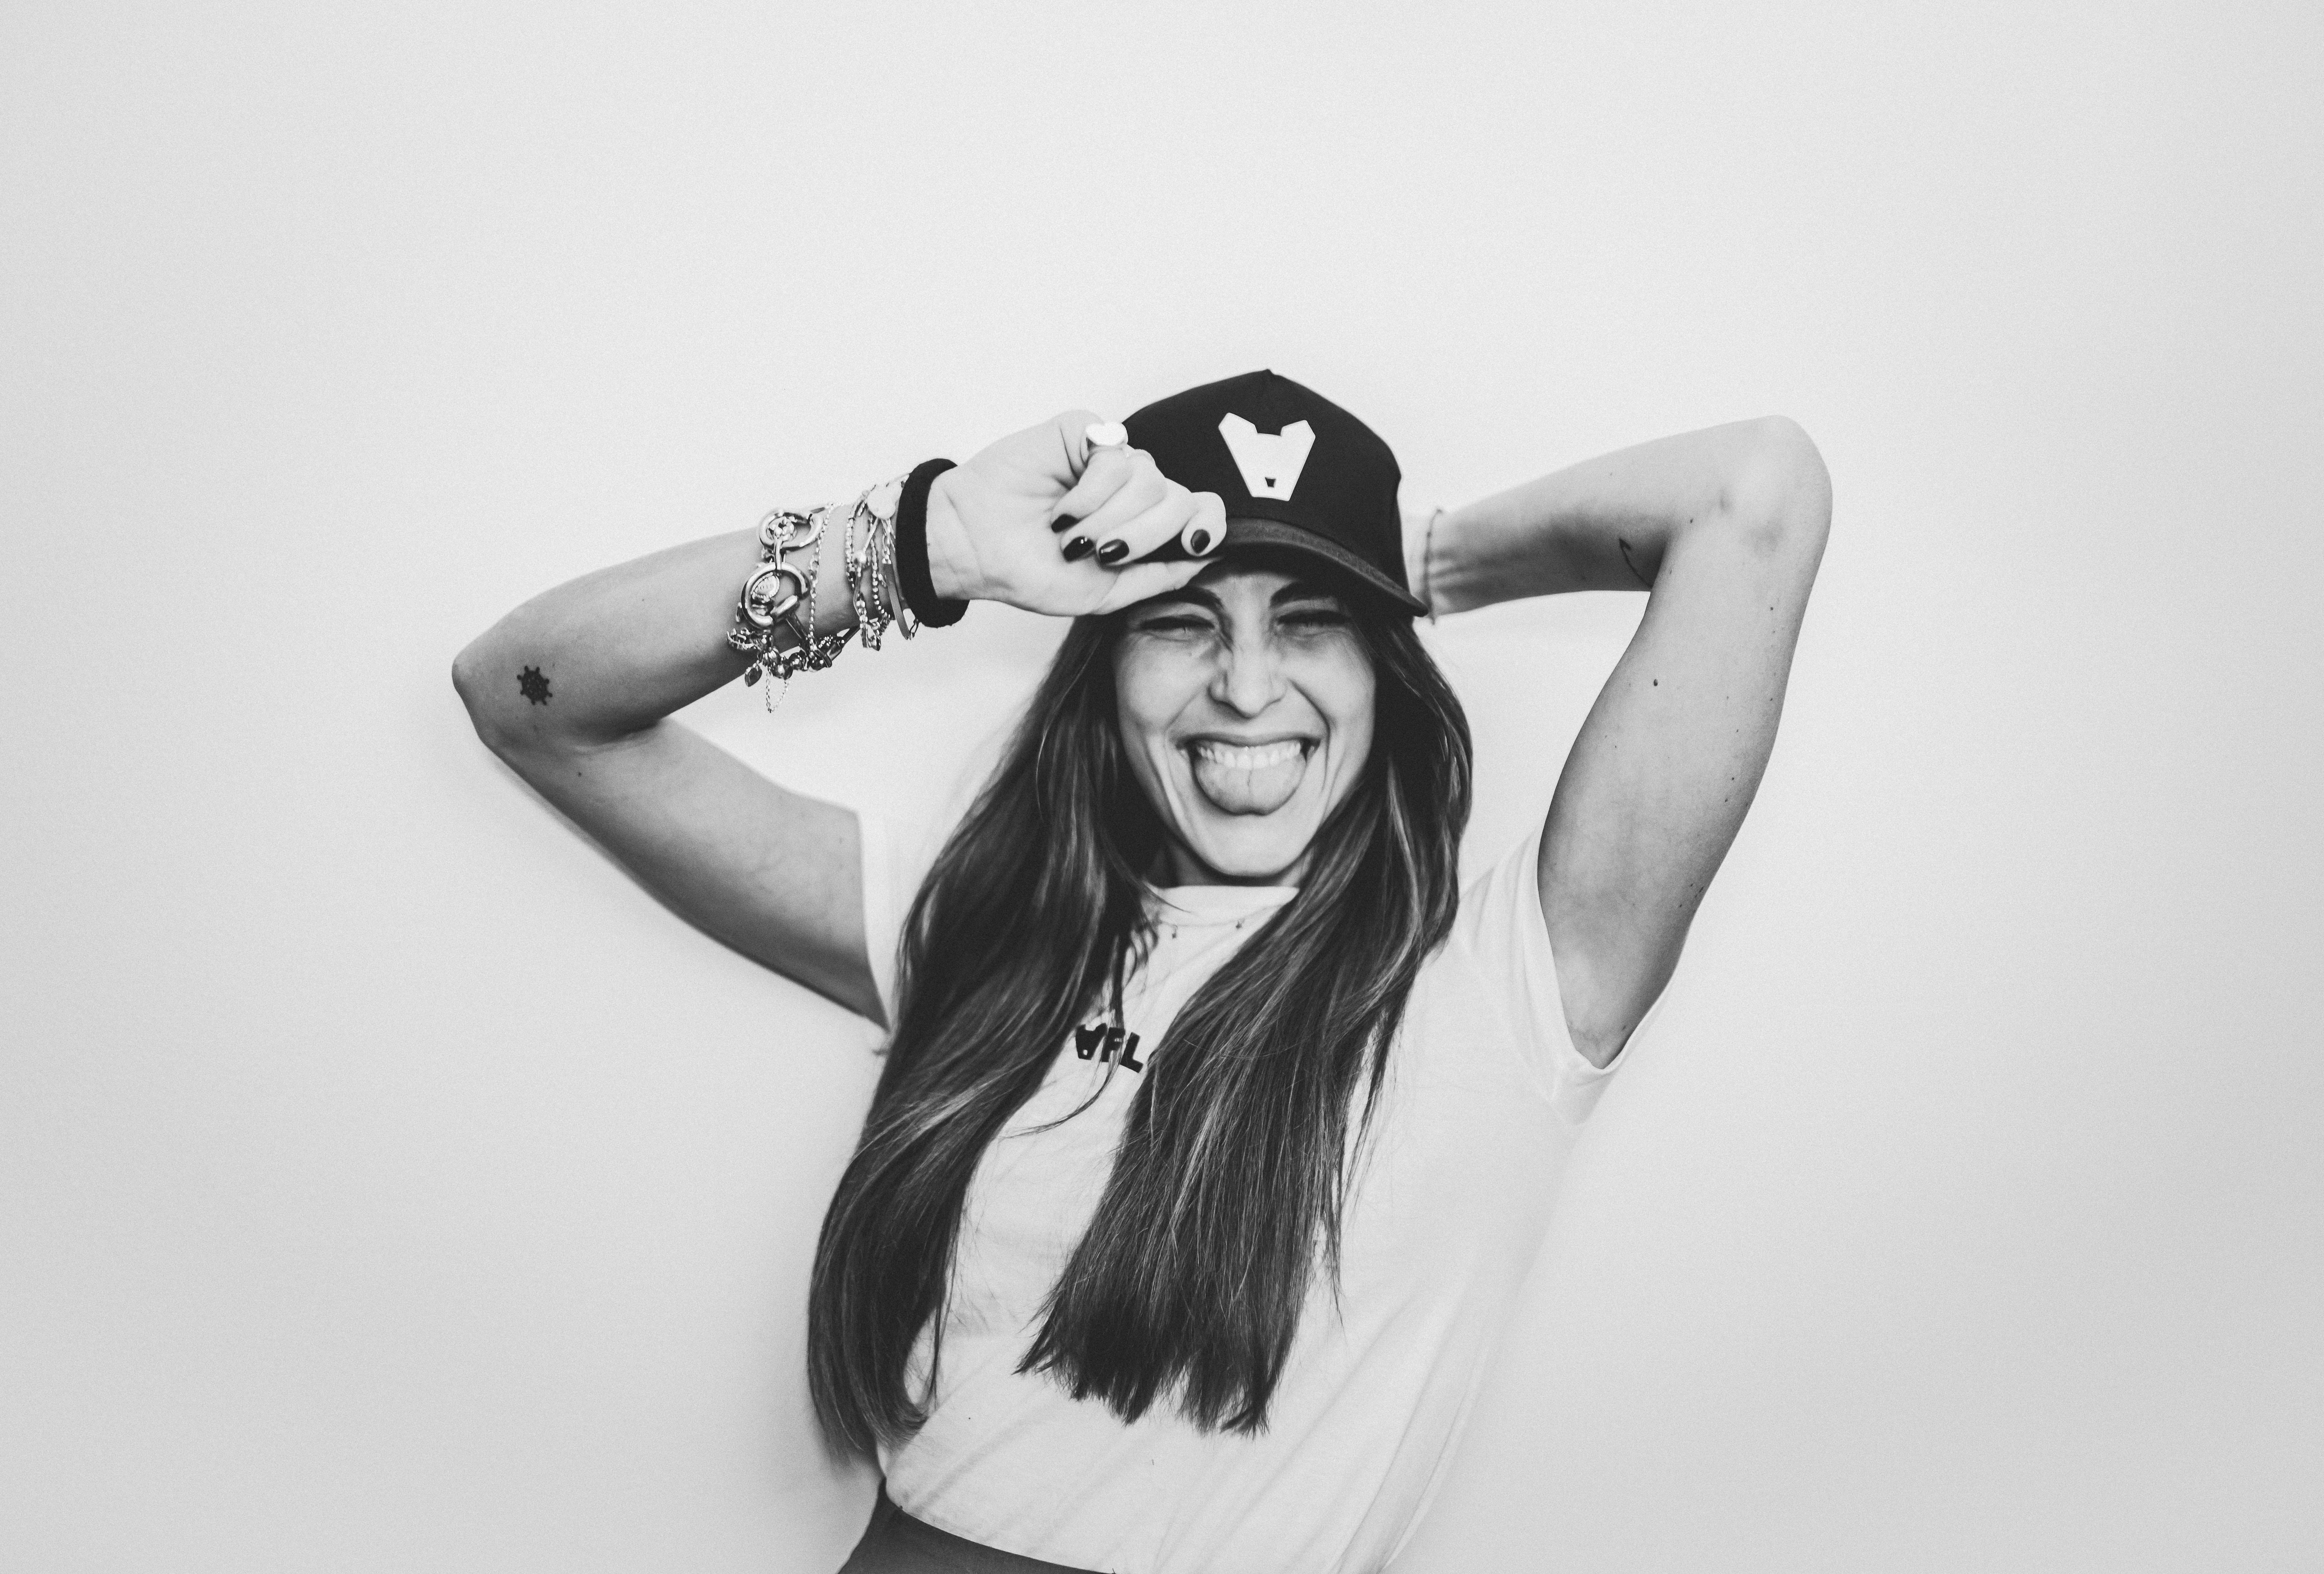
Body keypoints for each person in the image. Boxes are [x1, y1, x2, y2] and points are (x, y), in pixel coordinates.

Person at [452, 370, 1831, 1573]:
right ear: (1103, 667)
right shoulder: (979, 934)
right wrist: (933, 540)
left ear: (1384, 666)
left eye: (1309, 620)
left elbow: (1753, 491)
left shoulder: (1518, 984)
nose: (1243, 688)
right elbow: (532, 695)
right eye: (1182, 620)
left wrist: (1417, 557)